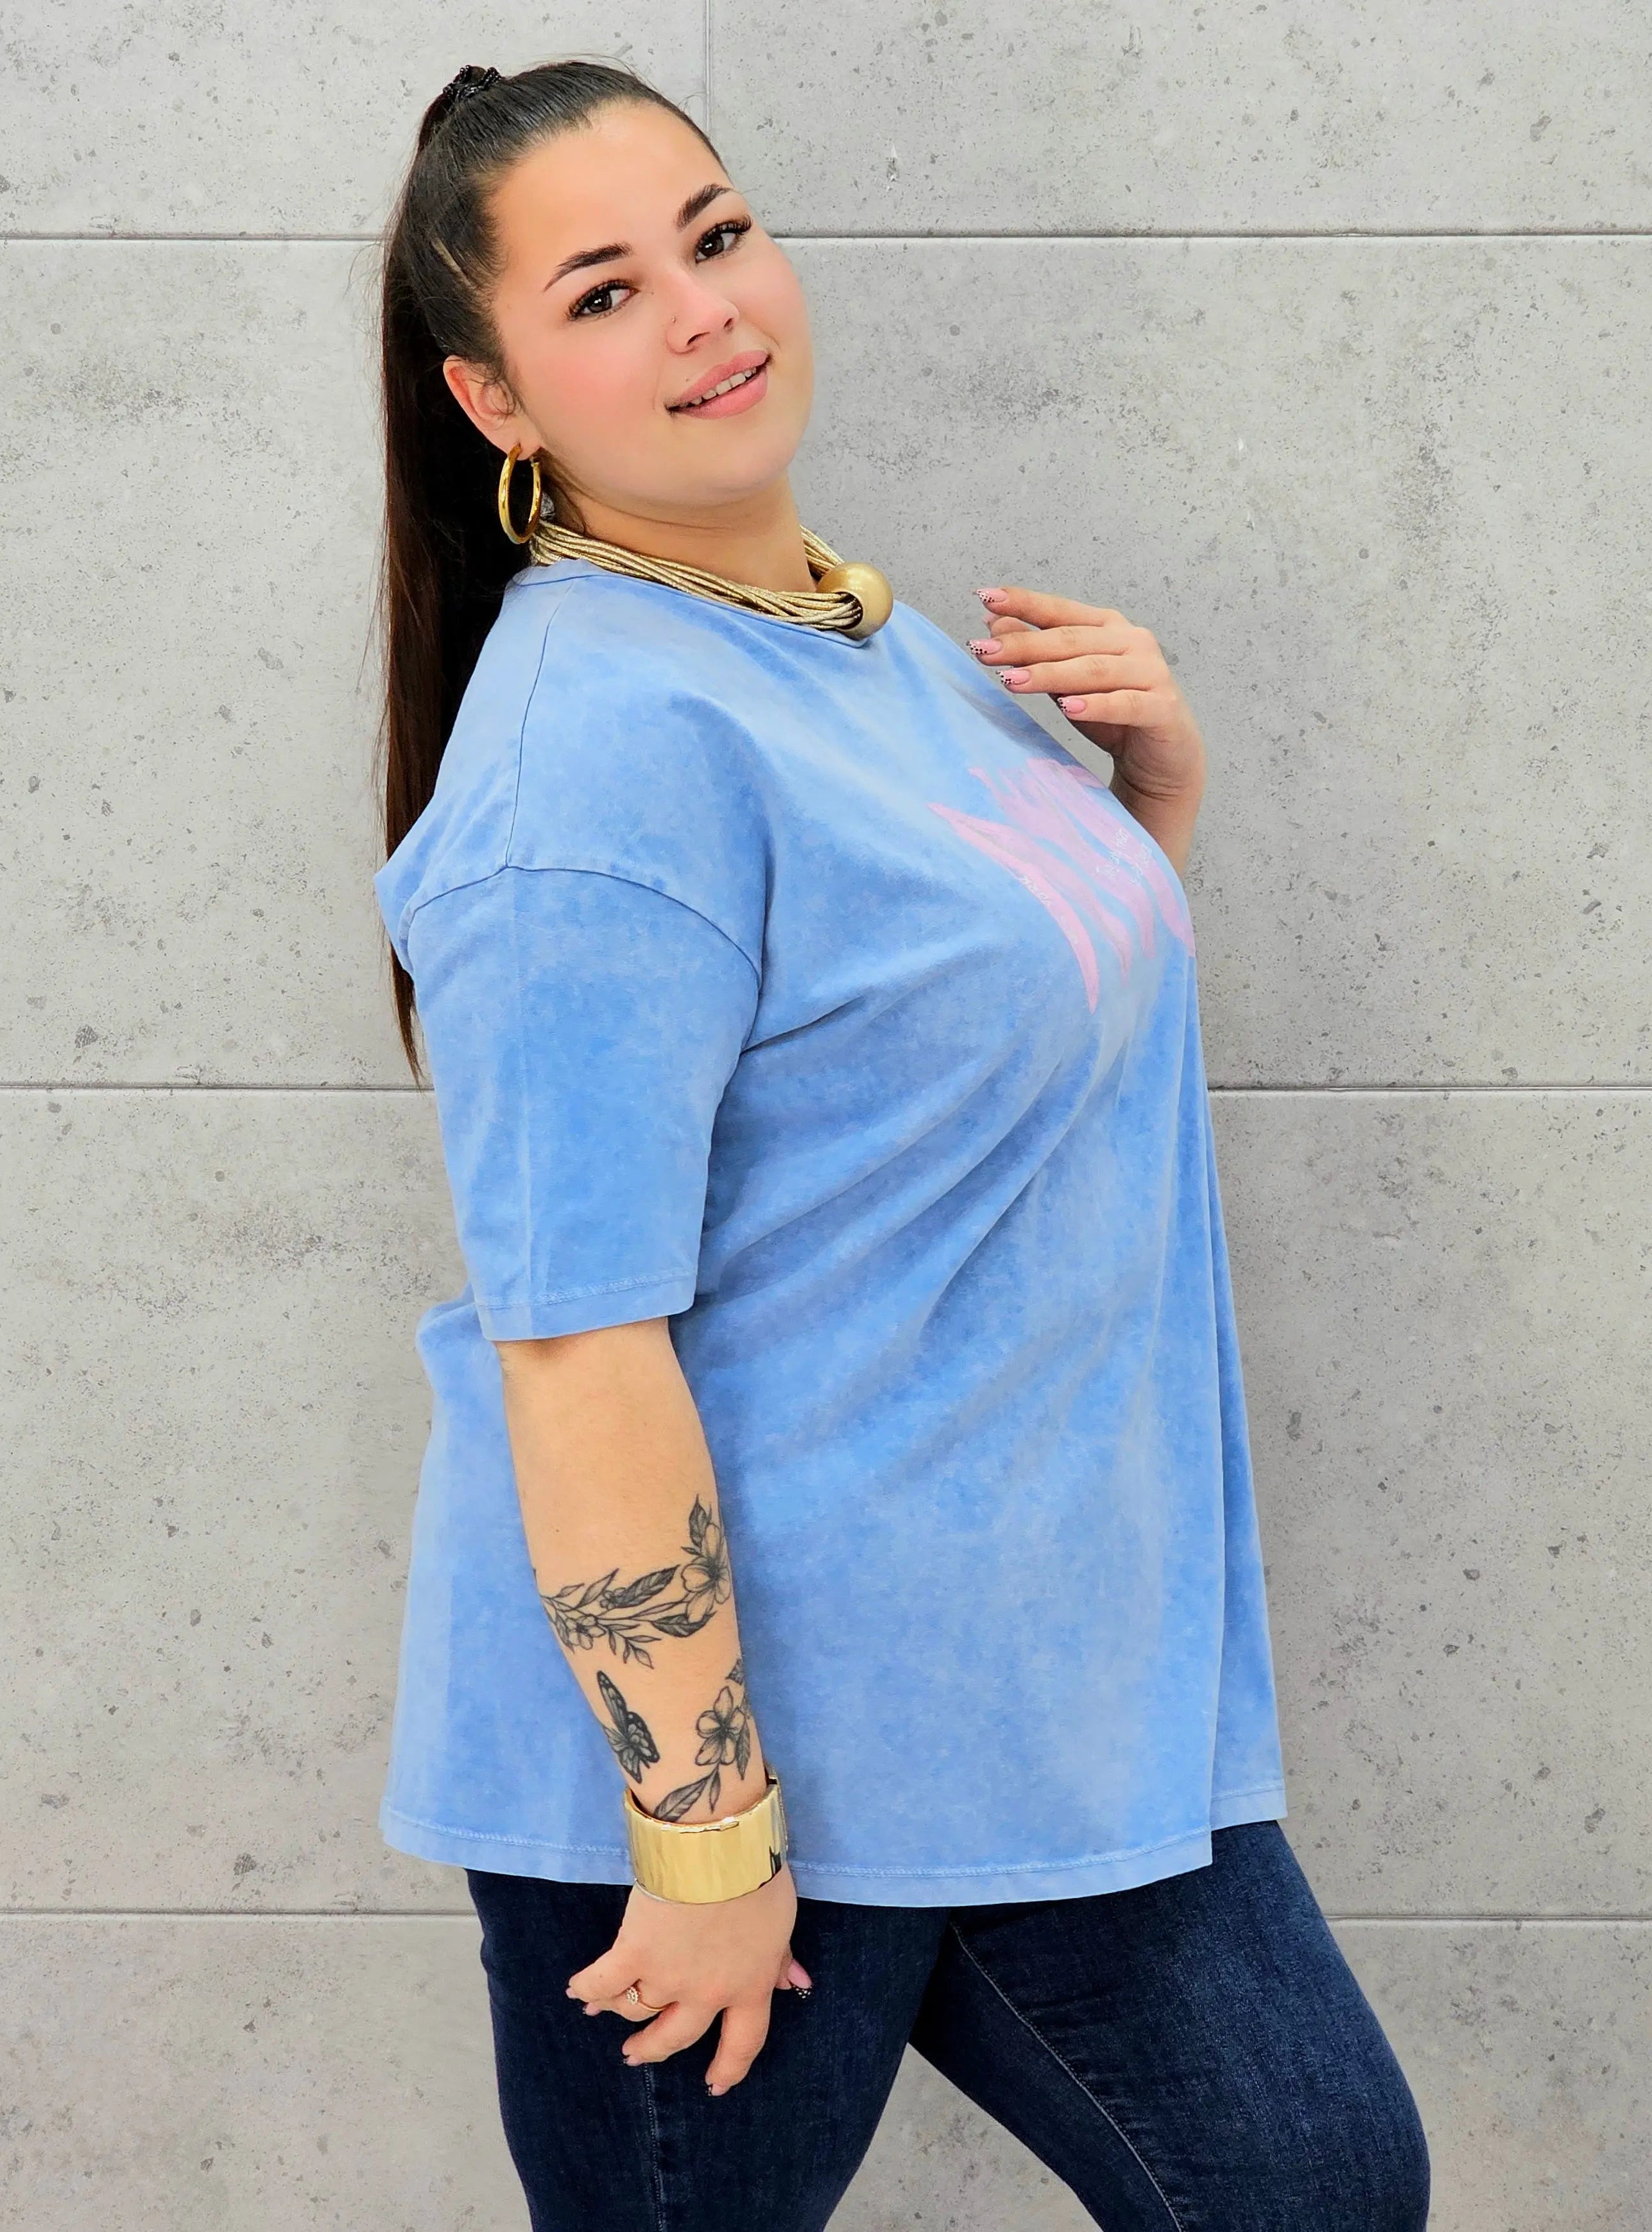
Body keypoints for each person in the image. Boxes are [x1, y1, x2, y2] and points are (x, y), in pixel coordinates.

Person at [372, 55, 1431, 2231]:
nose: (702, 310)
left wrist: (1145, 817)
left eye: (716, 235)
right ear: (495, 399)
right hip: (736, 1785)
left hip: (1028, 1696)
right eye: (602, 292)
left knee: (1316, 2187)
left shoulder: (861, 639)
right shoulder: (597, 759)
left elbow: (958, 1090)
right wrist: (702, 1841)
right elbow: (574, 1341)